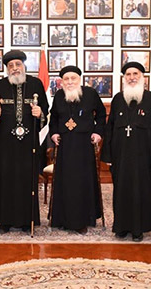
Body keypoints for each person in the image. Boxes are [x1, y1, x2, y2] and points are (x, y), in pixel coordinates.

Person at [0, 50, 49, 234]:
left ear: (24, 66)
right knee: (5, 179)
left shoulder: (36, 84)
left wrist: (40, 114)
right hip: (5, 143)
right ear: (7, 68)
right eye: (10, 66)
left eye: (17, 65)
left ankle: (25, 219)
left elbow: (45, 109)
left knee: (26, 179)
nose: (14, 69)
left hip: (28, 144)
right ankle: (4, 221)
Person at [101, 62, 151, 242]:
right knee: (121, 191)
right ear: (124, 78)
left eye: (135, 74)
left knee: (141, 191)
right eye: (128, 74)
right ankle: (121, 226)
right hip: (120, 156)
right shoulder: (118, 99)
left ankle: (139, 229)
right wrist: (108, 156)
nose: (131, 77)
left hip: (144, 156)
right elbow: (110, 127)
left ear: (142, 77)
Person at [49, 66, 106, 234]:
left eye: (73, 78)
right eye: (66, 79)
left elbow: (101, 115)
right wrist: (54, 134)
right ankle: (61, 218)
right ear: (62, 82)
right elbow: (54, 118)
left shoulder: (90, 94)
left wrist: (98, 132)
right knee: (64, 181)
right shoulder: (59, 96)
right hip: (64, 145)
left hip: (84, 145)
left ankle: (82, 220)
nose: (70, 82)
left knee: (82, 182)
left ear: (79, 79)